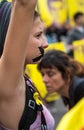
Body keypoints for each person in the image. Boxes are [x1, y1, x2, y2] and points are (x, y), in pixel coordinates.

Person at [0, 0, 55, 130]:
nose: (46, 43)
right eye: (38, 35)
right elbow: (24, 3)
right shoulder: (8, 84)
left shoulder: (21, 80)